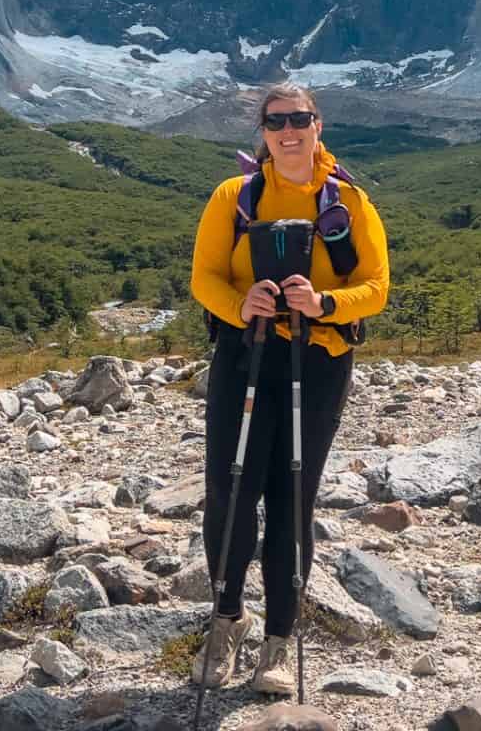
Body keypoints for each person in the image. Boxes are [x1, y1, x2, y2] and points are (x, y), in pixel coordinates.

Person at [187, 82, 390, 694]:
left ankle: (278, 640)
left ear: (318, 124)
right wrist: (240, 302)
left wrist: (324, 301)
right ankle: (227, 620)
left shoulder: (349, 201)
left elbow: (376, 286)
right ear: (264, 131)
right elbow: (205, 276)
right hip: (244, 358)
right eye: (277, 121)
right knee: (228, 490)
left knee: (292, 499)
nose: (289, 129)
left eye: (300, 118)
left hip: (318, 361)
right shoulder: (235, 196)